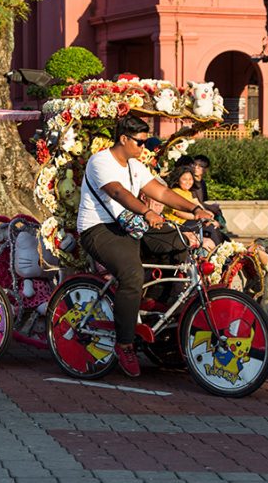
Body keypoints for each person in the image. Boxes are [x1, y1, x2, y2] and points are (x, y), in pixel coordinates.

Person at [77, 115, 213, 378]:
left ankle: (153, 304)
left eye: (145, 142)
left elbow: (161, 193)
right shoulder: (101, 161)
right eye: (139, 142)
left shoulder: (134, 165)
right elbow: (118, 192)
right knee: (132, 274)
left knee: (178, 245)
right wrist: (146, 212)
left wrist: (196, 209)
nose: (143, 147)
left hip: (129, 225)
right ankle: (124, 344)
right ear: (124, 139)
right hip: (99, 229)